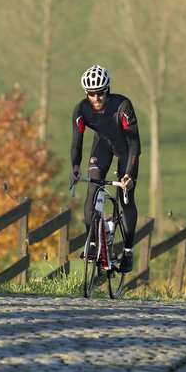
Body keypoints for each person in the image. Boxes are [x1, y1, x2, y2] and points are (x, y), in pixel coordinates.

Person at [70, 64, 141, 272]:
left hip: (127, 151)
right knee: (92, 189)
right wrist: (75, 166)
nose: (96, 98)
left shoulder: (123, 106)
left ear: (107, 90)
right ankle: (92, 242)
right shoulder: (81, 110)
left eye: (100, 93)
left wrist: (128, 174)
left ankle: (127, 251)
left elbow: (135, 144)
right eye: (91, 94)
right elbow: (77, 142)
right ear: (86, 93)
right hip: (102, 146)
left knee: (125, 197)